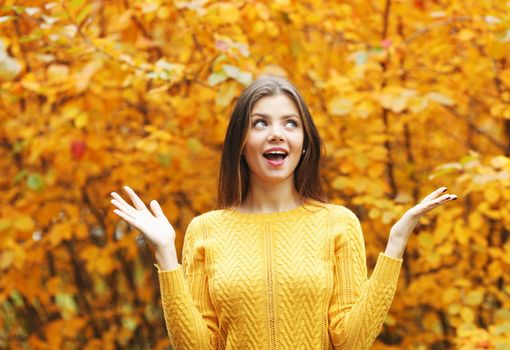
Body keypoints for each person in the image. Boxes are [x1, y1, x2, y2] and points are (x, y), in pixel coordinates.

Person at [109, 75, 458, 349]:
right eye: (260, 123)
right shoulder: (205, 231)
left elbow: (351, 342)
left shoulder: (338, 223)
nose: (277, 134)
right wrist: (166, 255)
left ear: (305, 142)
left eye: (290, 123)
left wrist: (396, 243)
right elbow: (198, 346)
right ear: (240, 141)